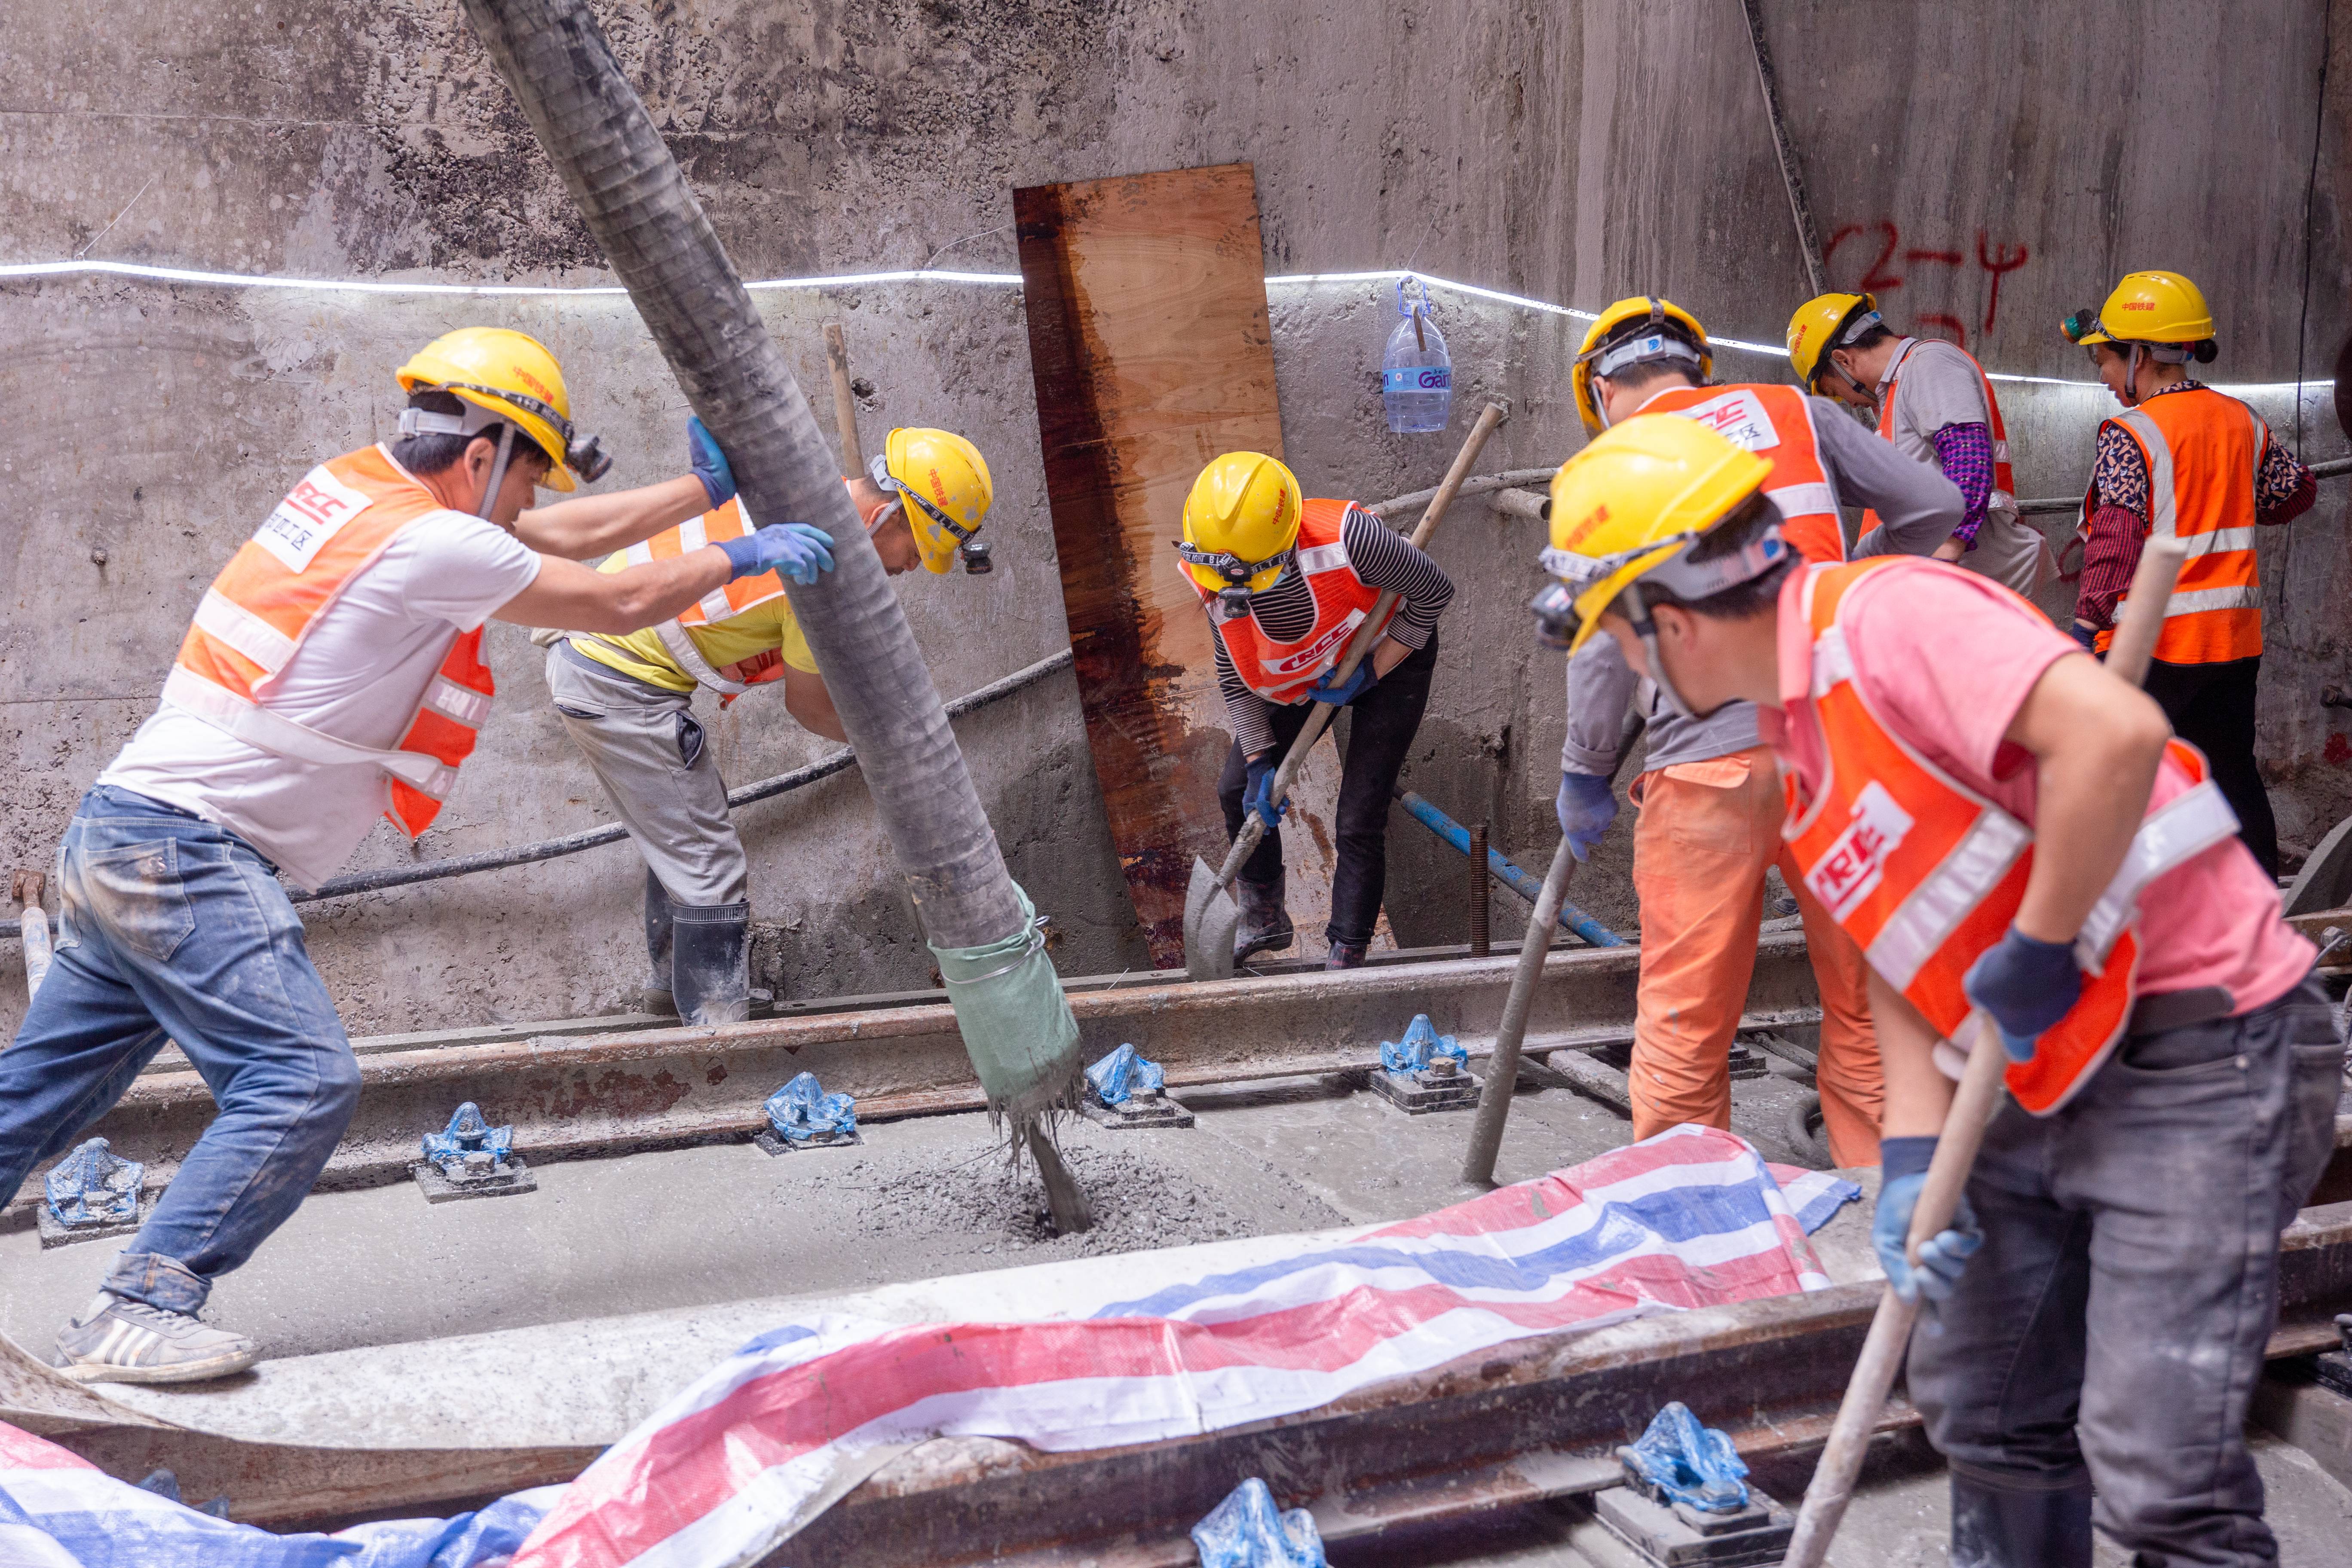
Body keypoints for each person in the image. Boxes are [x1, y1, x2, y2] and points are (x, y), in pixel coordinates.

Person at [1539, 412, 2338, 1567]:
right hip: (2039, 1075)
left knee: (2162, 1472)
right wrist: (1913, 1163)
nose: (1621, 662)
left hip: (2200, 1053)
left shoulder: (1891, 617)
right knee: (1986, 1402)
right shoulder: (1800, 741)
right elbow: (1899, 960)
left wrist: (2045, 942)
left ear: (1668, 622)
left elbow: (2113, 736)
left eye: (1617, 636)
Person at [0, 327, 834, 1384]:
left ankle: (134, 1297)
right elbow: (610, 593)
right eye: (529, 472)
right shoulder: (436, 544)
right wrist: (740, 553)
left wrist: (694, 495)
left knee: (38, 1091)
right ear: (483, 455)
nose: (532, 500)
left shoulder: (353, 493)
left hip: (124, 827)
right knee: (300, 1079)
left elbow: (552, 538)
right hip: (190, 851)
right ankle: (139, 1305)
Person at [1551, 296, 1967, 1168]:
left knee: (1686, 1014)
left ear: (1600, 387)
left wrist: (1586, 770)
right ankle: (1883, 1204)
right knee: (1868, 1001)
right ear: (1694, 364)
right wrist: (1845, 587)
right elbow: (1934, 505)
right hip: (1842, 749)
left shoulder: (1614, 463)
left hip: (1709, 771)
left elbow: (1599, 644)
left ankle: (1691, 1217)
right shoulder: (1800, 411)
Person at [547, 427, 995, 1022]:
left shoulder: (805, 499)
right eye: (917, 545)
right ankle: (715, 1021)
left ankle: (672, 986)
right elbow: (808, 708)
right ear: (886, 512)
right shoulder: (818, 573)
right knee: (707, 856)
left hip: (602, 658)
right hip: (614, 674)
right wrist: (900, 753)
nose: (914, 566)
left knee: (685, 827)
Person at [2064, 269, 2318, 877]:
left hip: (2156, 641)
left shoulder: (2133, 433)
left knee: (2120, 777)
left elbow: (2116, 540)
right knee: (2230, 773)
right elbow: (2297, 493)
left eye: (2104, 359)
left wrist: (2082, 628)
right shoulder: (2241, 419)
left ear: (2141, 357)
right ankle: (2258, 898)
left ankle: (2125, 905)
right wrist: (2227, 497)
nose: (2101, 376)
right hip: (2232, 641)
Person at [1177, 450, 1453, 969]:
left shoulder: (1350, 540)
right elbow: (1236, 678)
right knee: (1237, 789)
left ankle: (1347, 947)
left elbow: (1434, 591)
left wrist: (1373, 670)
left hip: (1389, 653)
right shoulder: (1211, 570)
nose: (1238, 598)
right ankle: (1264, 918)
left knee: (1358, 818)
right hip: (1302, 675)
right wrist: (1260, 762)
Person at [1786, 291, 2055, 597]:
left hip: (1968, 574)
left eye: (1832, 390)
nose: (1847, 402)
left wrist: (1946, 553)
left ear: (1843, 360)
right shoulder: (1898, 391)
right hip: (1940, 577)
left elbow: (1968, 456)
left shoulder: (1929, 364)